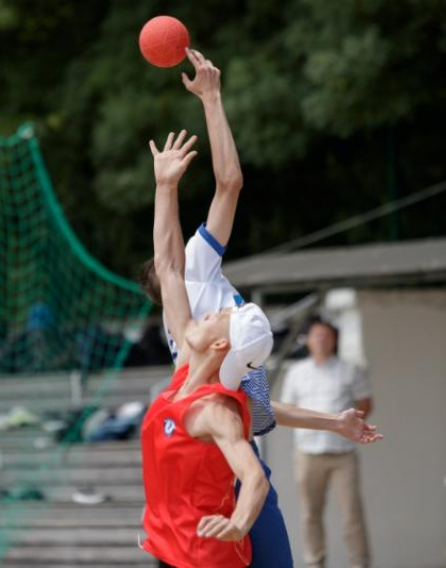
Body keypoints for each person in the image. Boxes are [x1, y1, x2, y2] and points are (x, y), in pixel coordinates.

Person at [138, 48, 382, 568]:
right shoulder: (196, 286)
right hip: (212, 488)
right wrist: (211, 99)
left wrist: (332, 423)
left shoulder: (197, 324)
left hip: (222, 480)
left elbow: (258, 412)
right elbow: (224, 189)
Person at [140, 127, 272, 568]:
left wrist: (238, 521)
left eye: (223, 314)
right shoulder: (190, 359)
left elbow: (254, 476)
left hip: (204, 547)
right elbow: (167, 264)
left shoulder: (215, 398)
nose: (216, 310)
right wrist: (163, 186)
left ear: (220, 341)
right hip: (173, 544)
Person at [281, 318, 374, 568]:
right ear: (308, 340)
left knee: (351, 514)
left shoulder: (348, 369)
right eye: (317, 335)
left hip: (342, 453)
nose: (322, 340)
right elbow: (286, 409)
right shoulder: (296, 372)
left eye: (327, 335)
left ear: (334, 340)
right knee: (310, 513)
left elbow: (365, 402)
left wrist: (354, 424)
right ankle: (314, 563)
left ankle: (360, 563)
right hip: (308, 452)